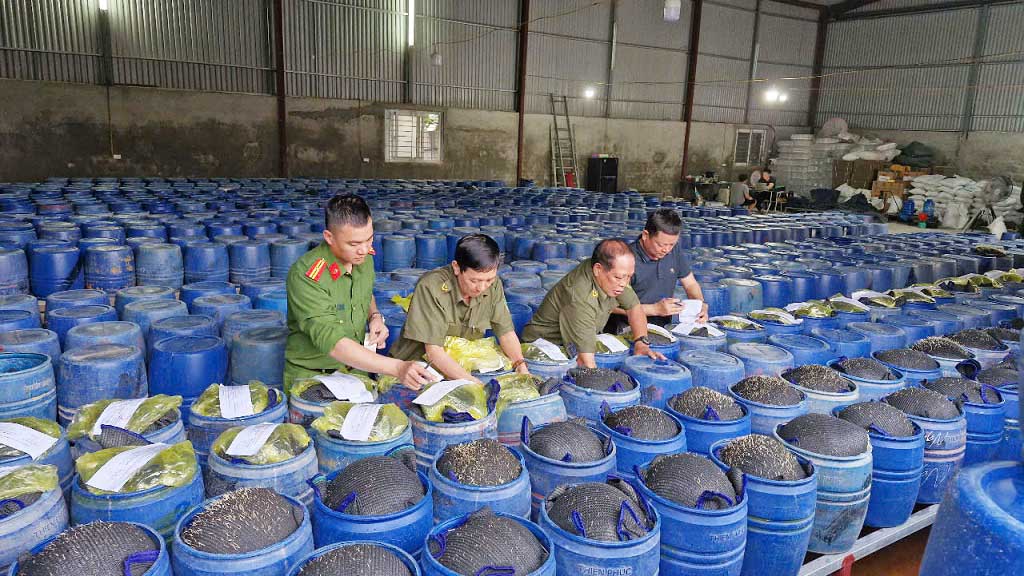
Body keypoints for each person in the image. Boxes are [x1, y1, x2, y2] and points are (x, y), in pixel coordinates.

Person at [285, 194, 436, 393]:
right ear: (329, 237)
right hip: (313, 377)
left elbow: (364, 293)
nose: (364, 250)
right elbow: (333, 343)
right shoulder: (307, 275)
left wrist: (374, 317)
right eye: (354, 244)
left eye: (369, 239)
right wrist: (398, 367)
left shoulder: (363, 260)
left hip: (356, 371)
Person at [389, 234, 529, 382]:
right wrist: (475, 384)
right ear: (456, 268)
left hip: (460, 367)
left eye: (489, 280)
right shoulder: (432, 287)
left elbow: (506, 333)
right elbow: (434, 352)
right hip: (416, 369)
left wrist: (520, 364)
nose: (482, 287)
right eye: (474, 280)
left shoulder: (493, 286)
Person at [522, 239, 666, 368]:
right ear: (598, 269)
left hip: (579, 334)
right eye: (619, 277)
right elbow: (585, 362)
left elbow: (634, 307)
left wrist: (641, 342)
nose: (624, 284)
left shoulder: (613, 276)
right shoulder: (580, 297)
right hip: (542, 346)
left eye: (629, 277)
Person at [604, 208, 708, 334]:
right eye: (661, 244)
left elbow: (690, 283)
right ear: (645, 235)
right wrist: (654, 309)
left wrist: (700, 304)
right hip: (627, 329)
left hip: (662, 329)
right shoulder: (625, 260)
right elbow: (609, 306)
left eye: (671, 245)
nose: (667, 250)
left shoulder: (674, 252)